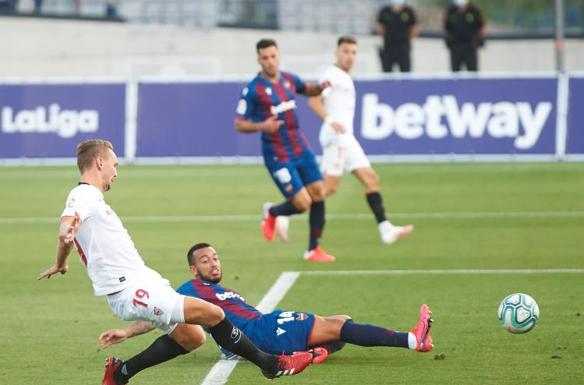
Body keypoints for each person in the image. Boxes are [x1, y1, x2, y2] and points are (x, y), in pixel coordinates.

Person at [37, 139, 313, 385]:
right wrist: (65, 232)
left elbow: (69, 235)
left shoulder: (93, 198)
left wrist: (61, 261)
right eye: (114, 164)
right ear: (99, 162)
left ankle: (120, 374)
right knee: (215, 314)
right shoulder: (83, 194)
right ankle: (272, 365)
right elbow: (67, 226)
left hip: (143, 279)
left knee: (192, 337)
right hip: (130, 291)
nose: (116, 172)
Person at [99, 242, 434, 365]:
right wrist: (127, 332)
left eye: (215, 258)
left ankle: (312, 355)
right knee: (338, 326)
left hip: (263, 327)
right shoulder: (191, 289)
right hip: (261, 332)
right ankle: (412, 339)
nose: (213, 263)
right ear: (193, 269)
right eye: (205, 260)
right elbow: (159, 314)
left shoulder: (218, 289)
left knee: (341, 323)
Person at [234, 38, 335, 263]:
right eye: (265, 58)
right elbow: (239, 123)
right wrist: (263, 126)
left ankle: (313, 250)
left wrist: (320, 88)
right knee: (302, 203)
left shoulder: (289, 79)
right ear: (259, 59)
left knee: (319, 193)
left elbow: (307, 89)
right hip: (278, 154)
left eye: (273, 56)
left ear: (278, 56)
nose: (270, 61)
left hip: (300, 147)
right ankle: (272, 212)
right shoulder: (253, 90)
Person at [308, 36, 413, 244]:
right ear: (337, 53)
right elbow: (314, 100)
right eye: (346, 51)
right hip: (337, 138)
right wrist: (331, 121)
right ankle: (282, 212)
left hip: (347, 138)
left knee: (371, 179)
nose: (350, 56)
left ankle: (386, 229)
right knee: (328, 189)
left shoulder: (345, 77)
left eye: (353, 52)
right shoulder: (331, 75)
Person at [376, 0, 419, 73]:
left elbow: (414, 29)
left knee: (405, 73)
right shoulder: (385, 11)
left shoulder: (408, 11)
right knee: (387, 73)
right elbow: (380, 28)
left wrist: (405, 39)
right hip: (388, 47)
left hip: (403, 47)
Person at [443, 0, 485, 72]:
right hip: (455, 46)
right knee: (455, 73)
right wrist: (448, 41)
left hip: (470, 46)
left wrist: (479, 40)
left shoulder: (474, 10)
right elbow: (446, 27)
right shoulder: (451, 10)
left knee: (472, 72)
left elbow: (481, 26)